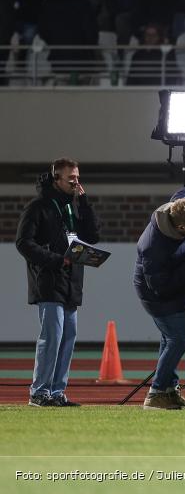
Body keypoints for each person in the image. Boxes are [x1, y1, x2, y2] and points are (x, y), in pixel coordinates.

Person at [16, 158, 100, 407]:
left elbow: (92, 236)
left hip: (71, 280)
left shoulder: (72, 207)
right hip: (50, 280)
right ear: (56, 179)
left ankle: (56, 392)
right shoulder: (38, 207)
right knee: (52, 337)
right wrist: (55, 260)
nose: (76, 183)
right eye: (71, 178)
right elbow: (23, 243)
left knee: (68, 337)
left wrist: (85, 204)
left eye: (77, 178)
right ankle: (39, 392)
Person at [134, 187, 185, 410]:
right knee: (178, 339)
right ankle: (156, 393)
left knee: (169, 339)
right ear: (180, 228)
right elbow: (160, 287)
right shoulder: (154, 247)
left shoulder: (178, 207)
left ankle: (169, 392)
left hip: (170, 286)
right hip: (156, 294)